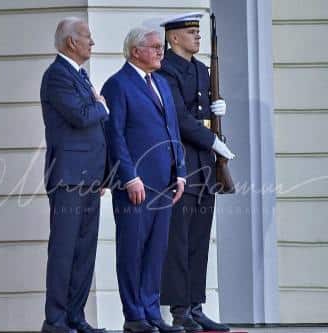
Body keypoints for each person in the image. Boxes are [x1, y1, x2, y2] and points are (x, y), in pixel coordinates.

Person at [101, 27, 187, 333]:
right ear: (135, 51)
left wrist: (181, 172)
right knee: (132, 249)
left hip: (165, 182)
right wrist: (129, 177)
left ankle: (152, 313)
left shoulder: (161, 83)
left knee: (156, 251)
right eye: (154, 47)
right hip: (135, 184)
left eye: (160, 47)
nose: (160, 51)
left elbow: (172, 129)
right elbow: (115, 135)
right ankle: (134, 316)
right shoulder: (117, 85)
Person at [156, 12, 235, 333]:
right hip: (183, 162)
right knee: (179, 241)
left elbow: (202, 113)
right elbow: (179, 117)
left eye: (199, 33)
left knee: (199, 240)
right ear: (174, 38)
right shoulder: (167, 70)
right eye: (191, 32)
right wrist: (214, 140)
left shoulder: (202, 69)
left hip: (204, 165)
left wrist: (217, 118)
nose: (197, 37)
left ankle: (196, 306)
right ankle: (179, 311)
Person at [40, 17, 109, 333]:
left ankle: (75, 317)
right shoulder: (57, 76)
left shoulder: (79, 76)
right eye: (87, 37)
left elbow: (94, 127)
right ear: (71, 42)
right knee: (64, 250)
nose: (92, 43)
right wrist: (102, 106)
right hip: (68, 177)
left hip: (89, 178)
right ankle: (55, 320)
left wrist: (104, 175)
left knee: (84, 252)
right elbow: (82, 117)